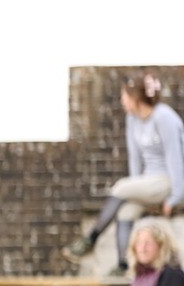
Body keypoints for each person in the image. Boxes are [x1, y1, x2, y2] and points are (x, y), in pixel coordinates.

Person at [65, 72, 184, 271]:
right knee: (125, 212)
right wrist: (136, 190)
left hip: (168, 181)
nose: (122, 101)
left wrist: (175, 198)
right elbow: (135, 159)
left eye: (125, 96)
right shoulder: (133, 119)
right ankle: (123, 265)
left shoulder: (164, 117)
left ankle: (90, 239)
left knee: (120, 187)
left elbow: (177, 158)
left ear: (136, 98)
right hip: (148, 182)